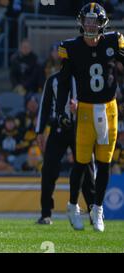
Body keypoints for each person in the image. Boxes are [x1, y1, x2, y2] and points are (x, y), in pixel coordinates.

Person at [56, 2, 122, 232]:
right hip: (84, 109)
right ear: (81, 22)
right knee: (81, 162)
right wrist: (59, 111)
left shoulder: (114, 42)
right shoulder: (71, 47)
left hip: (109, 109)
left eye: (95, 20)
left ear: (102, 24)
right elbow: (63, 83)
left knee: (105, 162)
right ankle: (73, 206)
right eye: (88, 20)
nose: (91, 24)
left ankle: (98, 208)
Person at [36, 71, 95, 225]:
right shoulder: (53, 80)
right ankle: (45, 213)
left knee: (87, 171)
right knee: (48, 170)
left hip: (80, 128)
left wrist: (81, 107)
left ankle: (94, 212)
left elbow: (96, 101)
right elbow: (45, 105)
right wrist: (39, 131)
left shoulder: (85, 76)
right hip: (58, 129)